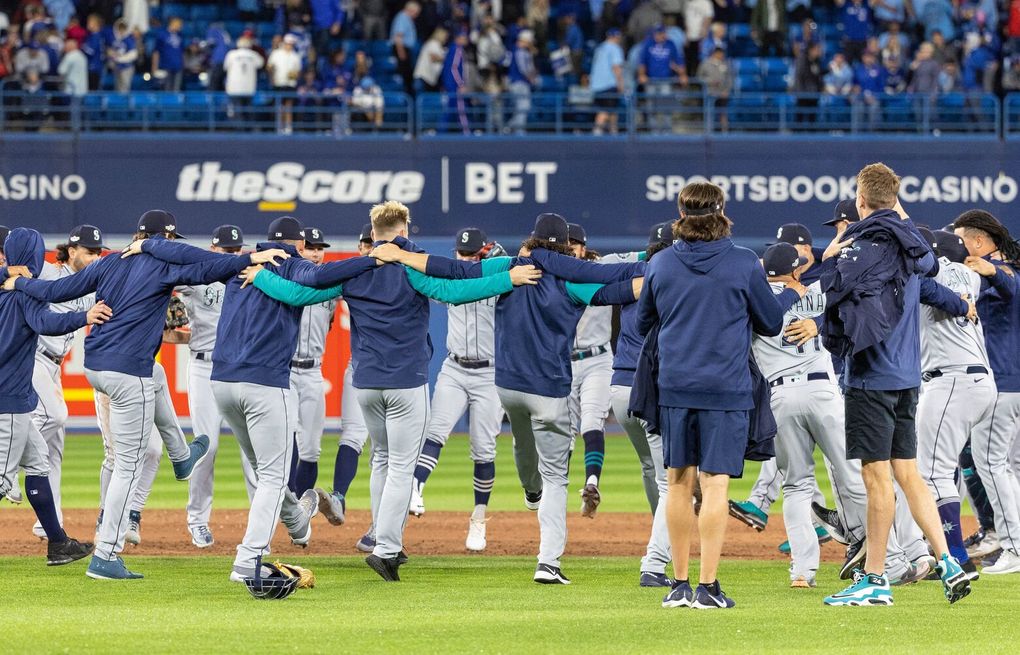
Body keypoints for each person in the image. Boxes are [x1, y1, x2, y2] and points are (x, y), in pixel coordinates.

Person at [252, 204, 543, 581]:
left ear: (373, 232)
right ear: (404, 227)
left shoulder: (354, 272)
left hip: (367, 382)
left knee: (381, 460)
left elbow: (298, 294)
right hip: (406, 379)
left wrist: (258, 275)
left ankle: (382, 538)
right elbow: (460, 284)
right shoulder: (413, 266)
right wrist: (510, 276)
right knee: (402, 466)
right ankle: (387, 548)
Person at [7, 210, 279, 580]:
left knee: (158, 373)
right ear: (162, 239)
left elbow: (56, 291)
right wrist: (248, 258)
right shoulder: (164, 265)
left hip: (97, 367)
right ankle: (106, 553)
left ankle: (182, 455)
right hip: (125, 372)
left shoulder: (110, 262)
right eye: (171, 240)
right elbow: (209, 266)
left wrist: (17, 283)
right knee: (128, 465)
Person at [381, 213, 643, 584]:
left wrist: (402, 257)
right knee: (557, 477)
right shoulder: (572, 281)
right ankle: (547, 563)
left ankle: (530, 489)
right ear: (566, 246)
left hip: (506, 386)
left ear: (532, 238)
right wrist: (666, 277)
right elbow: (620, 288)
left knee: (522, 442)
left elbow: (452, 271)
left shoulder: (506, 269)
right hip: (550, 390)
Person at [821, 163, 972, 605]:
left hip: (872, 377)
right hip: (908, 378)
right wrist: (894, 207)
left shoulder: (864, 248)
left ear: (861, 203)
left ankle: (875, 579)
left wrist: (835, 251)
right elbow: (924, 257)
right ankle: (947, 562)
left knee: (876, 479)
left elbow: (829, 283)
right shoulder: (914, 252)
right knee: (909, 474)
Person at [638, 182, 790, 609]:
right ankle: (707, 587)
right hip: (726, 387)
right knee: (716, 483)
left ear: (680, 213)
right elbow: (771, 322)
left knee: (677, 483)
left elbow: (641, 322)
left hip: (677, 385)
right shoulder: (744, 263)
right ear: (723, 212)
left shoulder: (662, 263)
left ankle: (679, 584)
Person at [0, 227, 104, 567]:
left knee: (39, 463)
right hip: (9, 399)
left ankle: (58, 543)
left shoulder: (6, 288)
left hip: (16, 396)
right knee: (2, 481)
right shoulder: (25, 295)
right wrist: (84, 317)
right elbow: (46, 323)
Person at [406, 228, 507, 551]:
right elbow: (422, 277)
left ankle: (478, 519)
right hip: (455, 367)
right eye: (460, 253)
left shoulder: (497, 282)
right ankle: (416, 487)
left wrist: (500, 264)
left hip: (490, 373)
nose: (463, 258)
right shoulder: (450, 282)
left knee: (483, 449)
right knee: (435, 430)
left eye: (470, 253)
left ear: (482, 253)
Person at [914, 229, 995, 577]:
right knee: (945, 467)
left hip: (951, 380)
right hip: (976, 381)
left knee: (931, 472)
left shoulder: (934, 274)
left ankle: (957, 557)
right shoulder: (969, 275)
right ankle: (946, 550)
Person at [26, 226, 104, 540]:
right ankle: (8, 458)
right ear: (71, 251)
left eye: (98, 252)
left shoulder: (93, 283)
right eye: (89, 251)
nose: (95, 257)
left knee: (54, 447)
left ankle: (48, 523)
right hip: (33, 355)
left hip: (55, 365)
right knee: (56, 415)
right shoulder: (45, 271)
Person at [178, 225, 254, 549]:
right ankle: (197, 520)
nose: (232, 255)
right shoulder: (199, 274)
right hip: (203, 364)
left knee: (253, 449)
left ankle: (259, 524)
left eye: (236, 250)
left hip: (239, 366)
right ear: (212, 249)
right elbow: (164, 280)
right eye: (226, 250)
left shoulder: (250, 273)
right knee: (206, 446)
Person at [953, 210, 1020, 574]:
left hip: (1003, 383)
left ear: (978, 241)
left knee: (991, 464)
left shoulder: (1001, 268)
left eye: (963, 238)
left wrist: (990, 269)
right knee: (1011, 466)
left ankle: (1012, 546)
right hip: (1013, 384)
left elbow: (1008, 282)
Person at [288, 227, 337, 496]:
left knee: (311, 448)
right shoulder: (286, 278)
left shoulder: (331, 286)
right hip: (285, 370)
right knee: (288, 438)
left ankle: (300, 508)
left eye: (320, 248)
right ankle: (287, 504)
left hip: (313, 371)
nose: (316, 253)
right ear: (299, 249)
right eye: (310, 248)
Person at [638, 24, 687, 134]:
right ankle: (653, 130)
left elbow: (678, 60)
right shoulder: (648, 44)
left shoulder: (670, 44)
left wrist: (682, 75)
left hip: (666, 80)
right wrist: (641, 74)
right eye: (659, 33)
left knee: (665, 105)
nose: (662, 35)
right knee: (651, 106)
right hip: (651, 80)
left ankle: (667, 130)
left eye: (663, 33)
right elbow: (642, 61)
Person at [590, 28, 625, 135]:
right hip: (608, 84)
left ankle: (613, 131)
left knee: (613, 110)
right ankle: (597, 132)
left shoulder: (600, 48)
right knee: (605, 110)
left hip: (596, 85)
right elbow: (616, 68)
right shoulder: (614, 48)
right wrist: (621, 84)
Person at [267, 34, 303, 134]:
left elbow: (299, 71)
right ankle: (279, 126)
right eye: (288, 43)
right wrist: (272, 77)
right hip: (279, 82)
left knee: (288, 105)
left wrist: (295, 75)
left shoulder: (295, 56)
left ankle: (288, 127)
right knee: (280, 105)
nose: (289, 45)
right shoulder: (276, 54)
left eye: (291, 44)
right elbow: (269, 67)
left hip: (290, 83)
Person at [224, 37, 264, 123]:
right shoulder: (254, 54)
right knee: (247, 109)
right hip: (248, 87)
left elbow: (225, 67)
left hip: (234, 88)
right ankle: (247, 129)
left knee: (237, 109)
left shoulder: (231, 54)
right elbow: (261, 64)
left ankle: (239, 129)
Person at [507, 30, 538, 135]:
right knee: (523, 107)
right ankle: (518, 131)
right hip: (519, 83)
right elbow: (524, 69)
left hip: (518, 83)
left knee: (521, 108)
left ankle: (508, 127)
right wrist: (531, 78)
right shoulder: (520, 51)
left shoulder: (521, 51)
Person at [439, 29, 469, 134]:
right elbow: (454, 68)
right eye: (464, 38)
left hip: (449, 84)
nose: (466, 40)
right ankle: (466, 132)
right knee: (460, 108)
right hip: (453, 86)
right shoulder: (457, 49)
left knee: (449, 110)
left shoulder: (451, 49)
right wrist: (460, 84)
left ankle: (441, 132)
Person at [697, 48, 733, 132]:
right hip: (710, 92)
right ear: (715, 54)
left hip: (723, 93)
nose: (722, 56)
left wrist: (727, 91)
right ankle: (709, 131)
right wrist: (710, 81)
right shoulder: (705, 63)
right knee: (709, 112)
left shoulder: (725, 64)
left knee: (723, 113)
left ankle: (725, 132)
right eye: (720, 54)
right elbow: (699, 77)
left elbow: (729, 79)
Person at [391, 2, 421, 96]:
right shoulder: (402, 18)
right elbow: (398, 37)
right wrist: (401, 53)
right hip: (402, 51)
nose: (416, 16)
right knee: (405, 77)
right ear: (411, 10)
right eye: (416, 13)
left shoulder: (407, 18)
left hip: (406, 50)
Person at [151, 16, 184, 92]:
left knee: (176, 90)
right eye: (179, 24)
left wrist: (182, 64)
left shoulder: (180, 35)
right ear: (172, 23)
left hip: (178, 66)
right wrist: (154, 67)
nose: (180, 26)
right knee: (167, 89)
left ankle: (175, 104)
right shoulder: (162, 35)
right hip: (166, 66)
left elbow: (182, 51)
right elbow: (156, 52)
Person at [413, 26, 447, 94]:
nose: (446, 39)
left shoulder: (439, 46)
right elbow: (433, 57)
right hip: (423, 79)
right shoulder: (433, 43)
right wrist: (449, 59)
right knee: (421, 101)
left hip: (429, 80)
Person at [107, 19, 137, 93]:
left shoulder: (129, 39)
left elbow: (133, 55)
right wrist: (111, 54)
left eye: (123, 29)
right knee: (117, 87)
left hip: (126, 67)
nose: (121, 31)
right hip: (117, 67)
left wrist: (119, 58)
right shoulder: (114, 39)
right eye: (119, 29)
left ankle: (124, 104)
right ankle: (117, 104)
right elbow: (109, 50)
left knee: (124, 88)